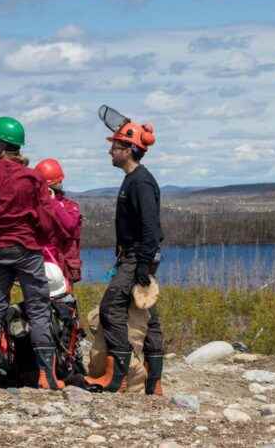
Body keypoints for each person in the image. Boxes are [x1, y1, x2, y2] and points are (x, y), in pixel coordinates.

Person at [0, 116, 67, 390]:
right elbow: (46, 220)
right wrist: (36, 237)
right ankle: (47, 377)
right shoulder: (33, 178)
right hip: (27, 250)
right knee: (39, 309)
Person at [84, 119, 165, 395]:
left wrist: (142, 264)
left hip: (137, 257)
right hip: (134, 257)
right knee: (147, 314)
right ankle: (154, 382)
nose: (110, 152)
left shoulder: (140, 182)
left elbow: (151, 227)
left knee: (110, 308)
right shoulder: (133, 179)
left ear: (129, 149)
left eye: (115, 147)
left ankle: (115, 377)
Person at [34, 158, 82, 287]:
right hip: (41, 264)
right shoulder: (35, 207)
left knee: (64, 302)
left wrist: (52, 202)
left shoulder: (69, 206)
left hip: (64, 265)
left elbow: (70, 225)